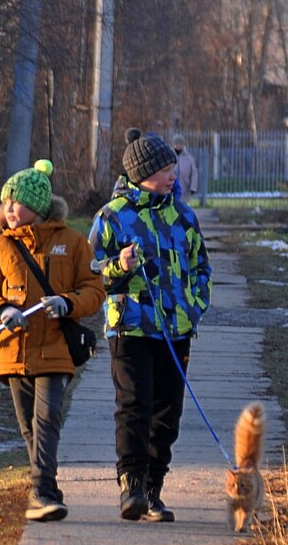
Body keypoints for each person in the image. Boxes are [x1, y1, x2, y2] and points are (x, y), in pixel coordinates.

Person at [89, 128, 212, 523]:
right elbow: (91, 275)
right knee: (134, 406)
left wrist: (193, 307)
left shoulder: (184, 216)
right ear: (142, 173)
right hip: (130, 329)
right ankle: (132, 485)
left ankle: (155, 488)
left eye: (172, 168)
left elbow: (201, 268)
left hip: (175, 331)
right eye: (164, 169)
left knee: (167, 412)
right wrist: (118, 266)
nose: (172, 175)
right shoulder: (112, 216)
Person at [0, 159, 105, 522]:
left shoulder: (73, 242)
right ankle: (46, 488)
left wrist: (68, 303)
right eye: (7, 202)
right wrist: (1, 312)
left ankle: (43, 490)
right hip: (13, 351)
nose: (11, 209)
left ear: (40, 206)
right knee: (29, 426)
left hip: (57, 349)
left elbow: (95, 289)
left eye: (19, 202)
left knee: (47, 419)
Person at [172, 133, 199, 201]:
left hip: (184, 188)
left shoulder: (189, 158)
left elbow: (194, 174)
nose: (178, 145)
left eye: (180, 144)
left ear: (183, 145)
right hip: (171, 188)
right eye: (176, 144)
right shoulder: (169, 156)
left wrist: (193, 187)